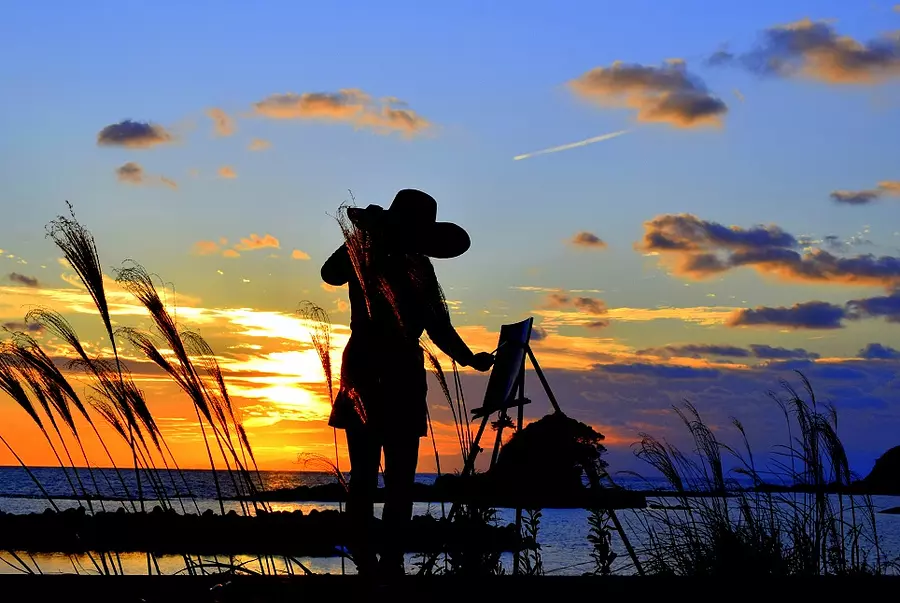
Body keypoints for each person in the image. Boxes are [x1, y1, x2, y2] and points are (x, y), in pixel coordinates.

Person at [321, 189, 494, 579]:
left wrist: (469, 358)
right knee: (372, 476)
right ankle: (371, 563)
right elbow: (330, 274)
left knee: (393, 477)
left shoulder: (417, 264)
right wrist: (364, 235)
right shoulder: (367, 253)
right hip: (372, 367)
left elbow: (438, 325)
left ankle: (386, 563)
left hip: (388, 367)